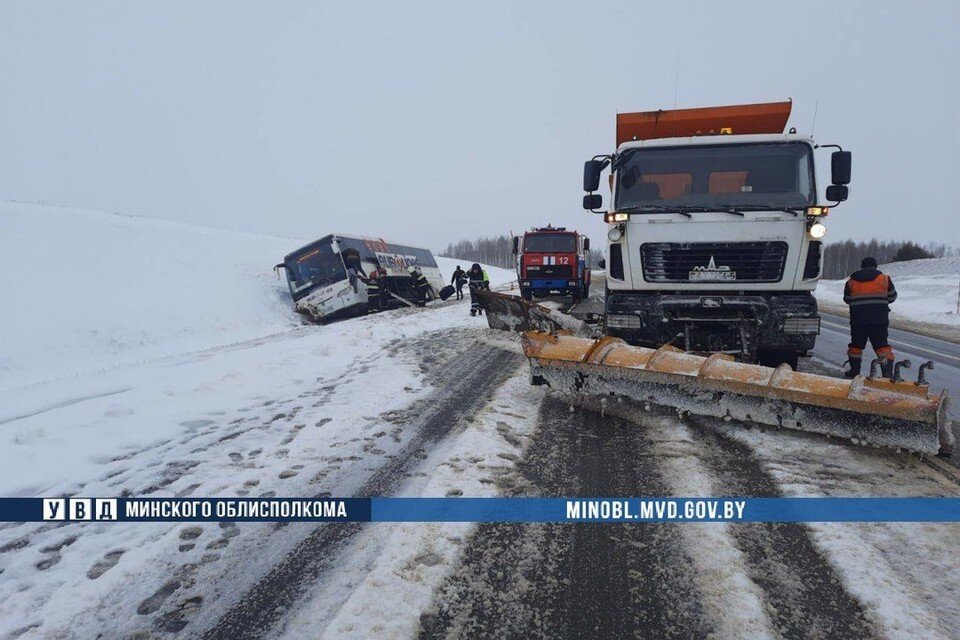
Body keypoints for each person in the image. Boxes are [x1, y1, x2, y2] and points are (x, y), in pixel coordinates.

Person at [843, 256, 898, 378]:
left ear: (862, 266)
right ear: (876, 266)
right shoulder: (885, 279)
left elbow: (847, 299)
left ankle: (854, 371)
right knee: (882, 346)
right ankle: (887, 374)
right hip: (879, 320)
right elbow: (892, 296)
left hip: (858, 320)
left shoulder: (851, 281)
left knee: (856, 346)